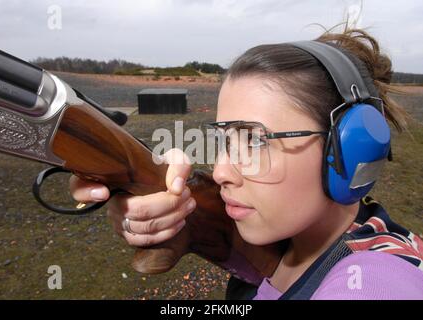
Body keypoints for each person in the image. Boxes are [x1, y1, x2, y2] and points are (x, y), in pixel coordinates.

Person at [69, 26, 423, 299]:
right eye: (226, 140)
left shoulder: (376, 281)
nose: (221, 171)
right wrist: (163, 205)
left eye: (254, 140)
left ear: (349, 150)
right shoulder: (294, 241)